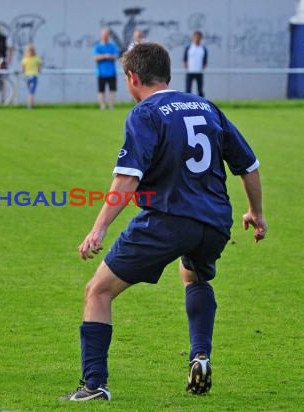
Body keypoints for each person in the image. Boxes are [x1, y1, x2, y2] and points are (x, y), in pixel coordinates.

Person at [61, 42, 267, 401]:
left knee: (98, 291)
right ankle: (200, 354)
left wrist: (99, 228)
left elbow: (127, 179)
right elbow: (248, 166)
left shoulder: (146, 113)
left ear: (133, 77)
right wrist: (257, 213)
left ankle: (93, 385)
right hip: (215, 222)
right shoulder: (206, 107)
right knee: (194, 274)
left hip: (168, 220)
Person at [93, 28, 119, 110]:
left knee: (112, 90)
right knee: (101, 90)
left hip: (112, 72)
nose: (105, 37)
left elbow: (115, 57)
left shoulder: (112, 46)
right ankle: (102, 106)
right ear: (101, 36)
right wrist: (105, 56)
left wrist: (108, 56)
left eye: (106, 35)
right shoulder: (97, 47)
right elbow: (96, 58)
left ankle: (111, 105)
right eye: (103, 35)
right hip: (101, 73)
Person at [183, 31, 208, 97]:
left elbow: (205, 61)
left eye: (198, 38)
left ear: (201, 38)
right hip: (190, 72)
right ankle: (187, 102)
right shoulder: (189, 48)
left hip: (199, 72)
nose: (197, 39)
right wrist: (186, 67)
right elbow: (185, 59)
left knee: (200, 90)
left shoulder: (203, 48)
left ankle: (202, 103)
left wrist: (203, 67)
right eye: (196, 37)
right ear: (193, 38)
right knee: (188, 89)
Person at [21, 44, 42, 109]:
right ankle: (30, 105)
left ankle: (30, 104)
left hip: (27, 76)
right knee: (31, 92)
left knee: (30, 91)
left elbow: (23, 69)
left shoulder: (25, 59)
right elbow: (39, 66)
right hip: (33, 76)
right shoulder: (36, 58)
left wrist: (23, 72)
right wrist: (39, 70)